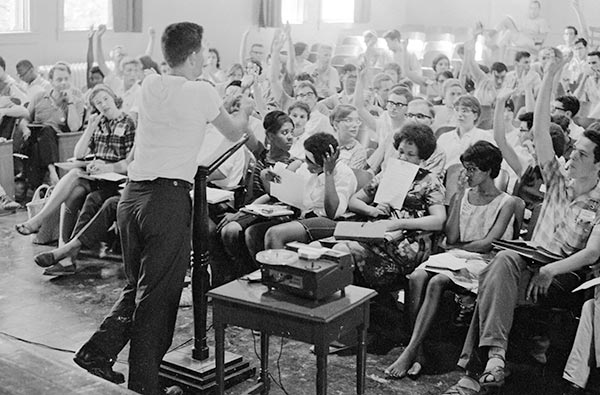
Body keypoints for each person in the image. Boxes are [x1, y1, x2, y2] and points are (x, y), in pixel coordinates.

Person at [73, 22, 253, 394]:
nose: (205, 57)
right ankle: (146, 386)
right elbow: (234, 132)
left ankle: (97, 351)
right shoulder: (201, 92)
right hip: (165, 202)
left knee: (139, 286)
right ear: (192, 55)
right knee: (159, 299)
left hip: (131, 198)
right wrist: (247, 108)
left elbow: (188, 98)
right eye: (202, 51)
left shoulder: (149, 84)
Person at [443, 49, 600, 395]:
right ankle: (494, 360)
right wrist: (549, 76)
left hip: (564, 272)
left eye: (582, 155)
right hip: (528, 258)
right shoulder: (559, 183)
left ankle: (472, 374)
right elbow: (543, 134)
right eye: (573, 151)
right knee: (501, 265)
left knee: (496, 272)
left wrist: (551, 271)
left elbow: (591, 253)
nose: (572, 157)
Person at [385, 141, 515, 380]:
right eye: (466, 168)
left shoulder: (506, 202)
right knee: (417, 277)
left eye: (473, 169)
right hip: (456, 257)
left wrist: (455, 246)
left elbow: (487, 244)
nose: (467, 174)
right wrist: (458, 196)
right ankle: (419, 351)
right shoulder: (465, 195)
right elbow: (452, 235)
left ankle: (410, 350)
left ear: (489, 170)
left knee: (437, 282)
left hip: (484, 261)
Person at [16, 84, 135, 273]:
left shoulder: (128, 122)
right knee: (74, 189)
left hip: (116, 179)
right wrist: (90, 128)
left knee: (78, 187)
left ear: (113, 98)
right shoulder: (100, 123)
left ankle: (50, 234)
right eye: (98, 102)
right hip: (98, 177)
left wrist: (106, 166)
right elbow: (79, 154)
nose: (103, 105)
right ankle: (65, 254)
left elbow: (129, 163)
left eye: (106, 99)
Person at [338, 123, 446, 292]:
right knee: (331, 250)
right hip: (375, 235)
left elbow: (438, 220)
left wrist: (399, 224)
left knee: (342, 253)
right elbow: (354, 200)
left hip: (405, 244)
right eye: (401, 152)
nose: (403, 158)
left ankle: (354, 305)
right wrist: (371, 210)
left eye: (411, 155)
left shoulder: (430, 181)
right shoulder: (388, 173)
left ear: (422, 158)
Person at [22, 62, 85, 188]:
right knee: (40, 136)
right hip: (35, 140)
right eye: (59, 79)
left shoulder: (77, 99)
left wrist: (70, 102)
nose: (63, 83)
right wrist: (24, 129)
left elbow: (74, 127)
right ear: (51, 81)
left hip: (59, 144)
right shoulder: (39, 97)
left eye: (66, 79)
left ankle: (50, 173)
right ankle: (48, 177)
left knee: (47, 131)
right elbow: (25, 118)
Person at [437, 95, 494, 170]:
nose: (460, 114)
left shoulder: (485, 137)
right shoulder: (444, 138)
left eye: (465, 111)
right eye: (457, 110)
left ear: (475, 115)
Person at [330, 104, 367, 170]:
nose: (355, 125)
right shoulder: (326, 143)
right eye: (348, 120)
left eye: (357, 121)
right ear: (335, 125)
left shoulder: (359, 151)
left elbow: (349, 176)